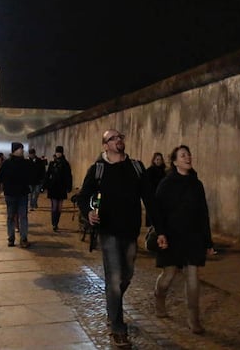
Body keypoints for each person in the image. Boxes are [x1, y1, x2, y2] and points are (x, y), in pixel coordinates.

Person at [77, 129, 158, 348]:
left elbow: (149, 198)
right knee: (114, 280)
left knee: (127, 276)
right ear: (105, 145)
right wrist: (89, 212)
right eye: (112, 138)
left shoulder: (136, 167)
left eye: (120, 136)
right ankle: (118, 329)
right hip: (109, 231)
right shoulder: (98, 169)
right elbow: (83, 197)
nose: (118, 140)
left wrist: (160, 229)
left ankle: (112, 307)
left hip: (130, 231)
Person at [153, 144, 215, 334]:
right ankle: (159, 297)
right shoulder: (166, 184)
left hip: (193, 237)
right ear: (174, 162)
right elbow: (157, 211)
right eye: (183, 155)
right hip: (172, 237)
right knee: (168, 276)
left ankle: (193, 318)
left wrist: (208, 242)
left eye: (188, 155)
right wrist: (161, 233)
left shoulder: (197, 184)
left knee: (193, 278)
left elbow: (203, 214)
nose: (188, 158)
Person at [0, 142, 32, 247]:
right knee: (11, 216)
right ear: (15, 150)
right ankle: (11, 238)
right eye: (20, 149)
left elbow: (31, 176)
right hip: (11, 194)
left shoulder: (25, 163)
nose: (22, 151)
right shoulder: (7, 163)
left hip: (21, 194)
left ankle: (23, 238)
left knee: (22, 216)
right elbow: (0, 177)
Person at [43, 145, 73, 231]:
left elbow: (69, 176)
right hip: (53, 187)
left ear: (62, 153)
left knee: (59, 207)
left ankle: (56, 223)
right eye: (57, 152)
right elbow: (47, 175)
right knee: (54, 206)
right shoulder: (52, 163)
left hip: (61, 187)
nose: (58, 154)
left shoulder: (66, 164)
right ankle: (54, 223)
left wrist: (69, 186)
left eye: (59, 152)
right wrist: (45, 186)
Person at [145, 152, 166, 226]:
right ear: (153, 160)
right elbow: (147, 184)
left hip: (161, 196)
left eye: (160, 159)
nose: (159, 161)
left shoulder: (164, 172)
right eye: (157, 159)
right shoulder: (149, 171)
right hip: (152, 195)